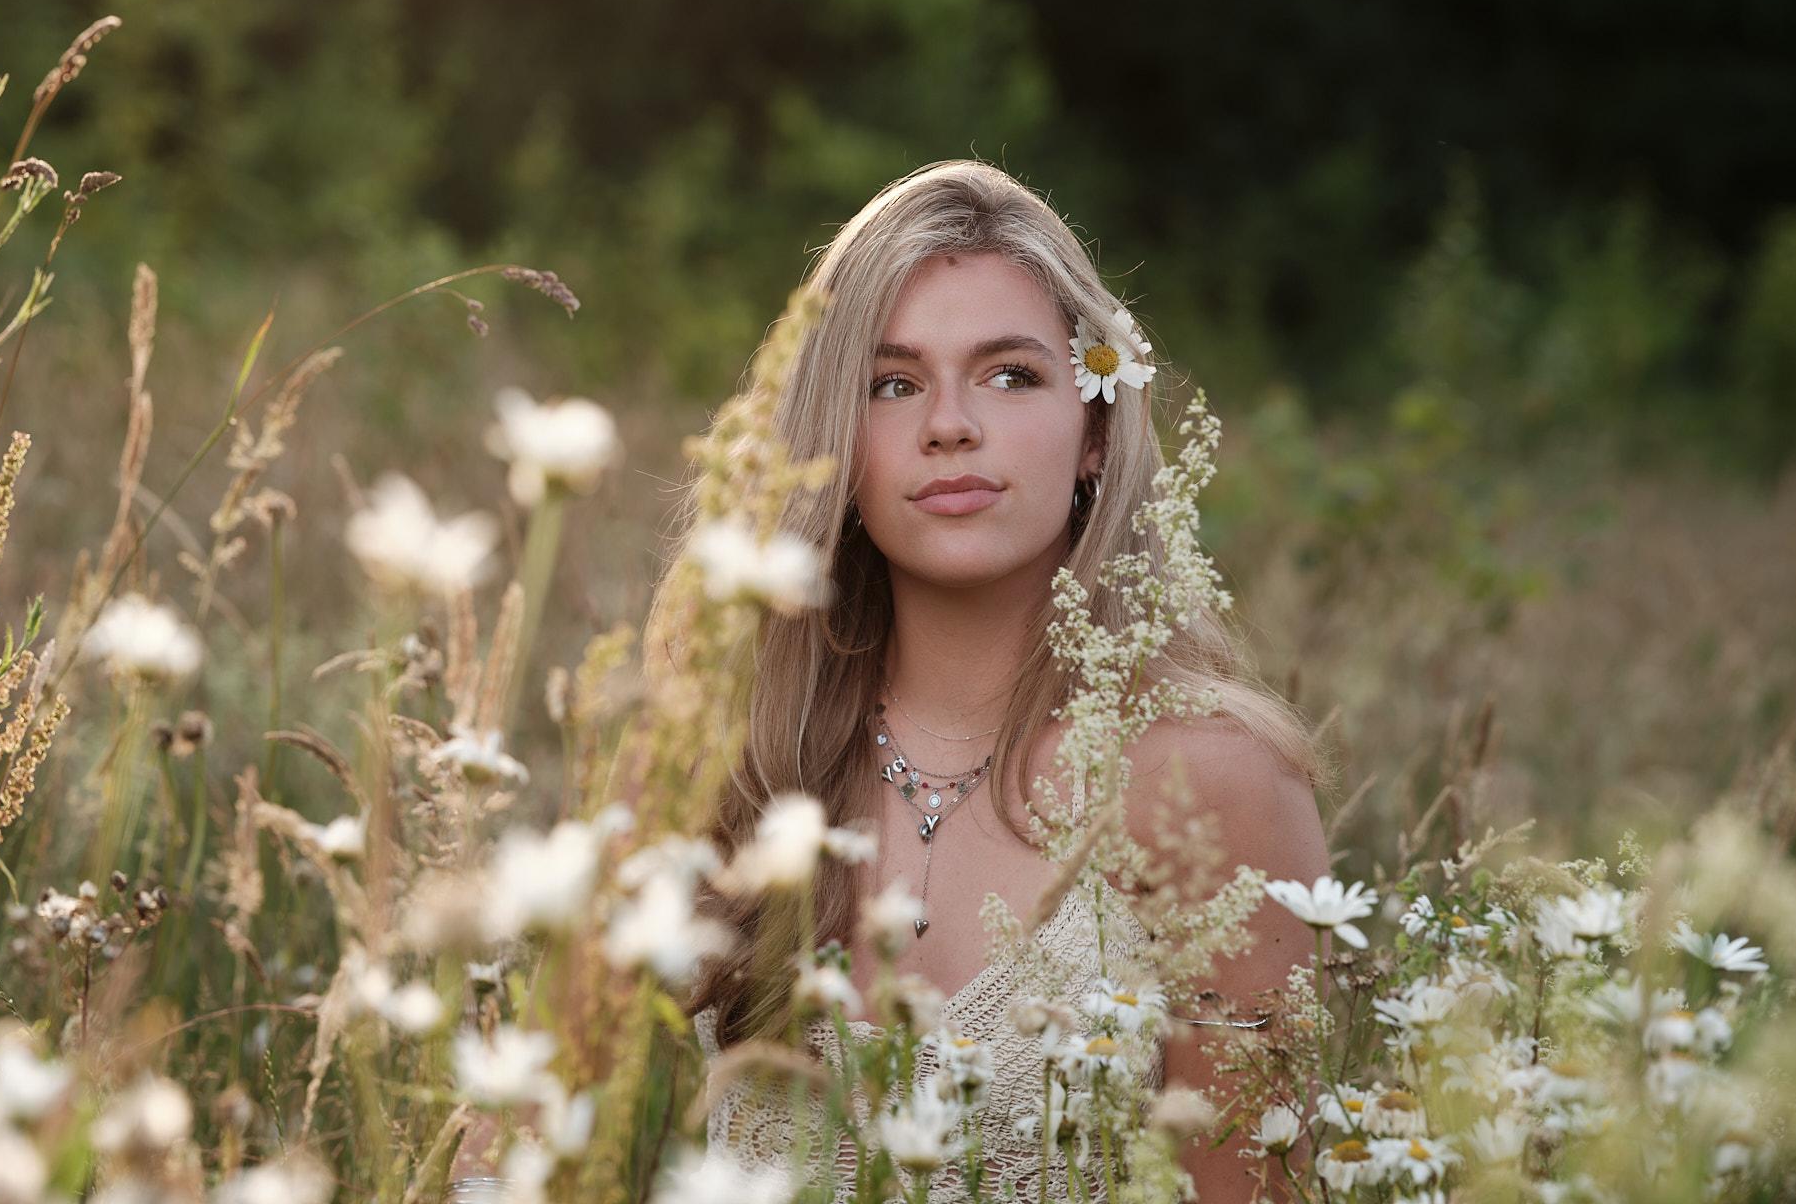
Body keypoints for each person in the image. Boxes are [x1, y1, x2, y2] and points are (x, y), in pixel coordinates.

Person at [451, 159, 1332, 1202]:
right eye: (892, 384)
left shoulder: (1208, 784)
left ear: (1094, 429)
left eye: (1010, 375)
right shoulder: (733, 759)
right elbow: (507, 1153)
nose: (948, 424)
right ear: (835, 445)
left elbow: (1254, 1186)